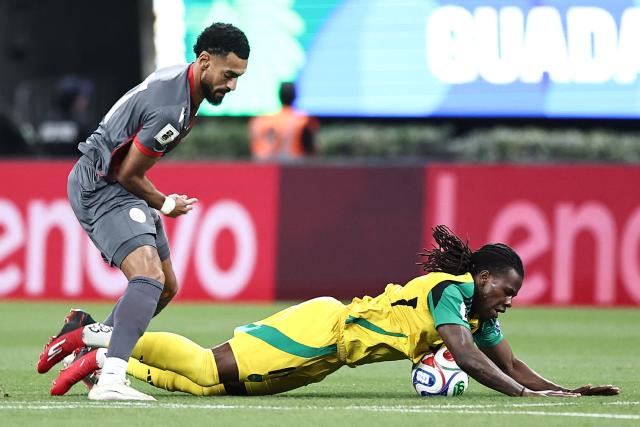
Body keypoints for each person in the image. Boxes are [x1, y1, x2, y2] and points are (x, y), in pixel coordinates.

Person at [47, 226, 619, 398]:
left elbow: (511, 365)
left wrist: (561, 392)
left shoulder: (478, 312)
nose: (510, 300)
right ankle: (95, 332)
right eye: (507, 290)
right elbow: (467, 358)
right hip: (323, 328)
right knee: (203, 367)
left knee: (207, 390)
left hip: (329, 357)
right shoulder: (451, 291)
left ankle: (98, 362)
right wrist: (524, 399)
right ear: (484, 276)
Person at [35, 22, 250, 401]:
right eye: (228, 75)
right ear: (204, 62)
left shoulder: (180, 80)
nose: (232, 85)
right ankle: (111, 379)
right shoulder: (174, 108)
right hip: (101, 184)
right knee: (147, 277)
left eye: (238, 77)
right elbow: (128, 172)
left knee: (165, 287)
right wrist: (167, 203)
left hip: (115, 184)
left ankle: (86, 337)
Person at [249, 82, 318, 160]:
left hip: (261, 168)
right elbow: (311, 153)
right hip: (292, 168)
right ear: (295, 96)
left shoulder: (260, 121)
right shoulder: (303, 121)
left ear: (279, 96)